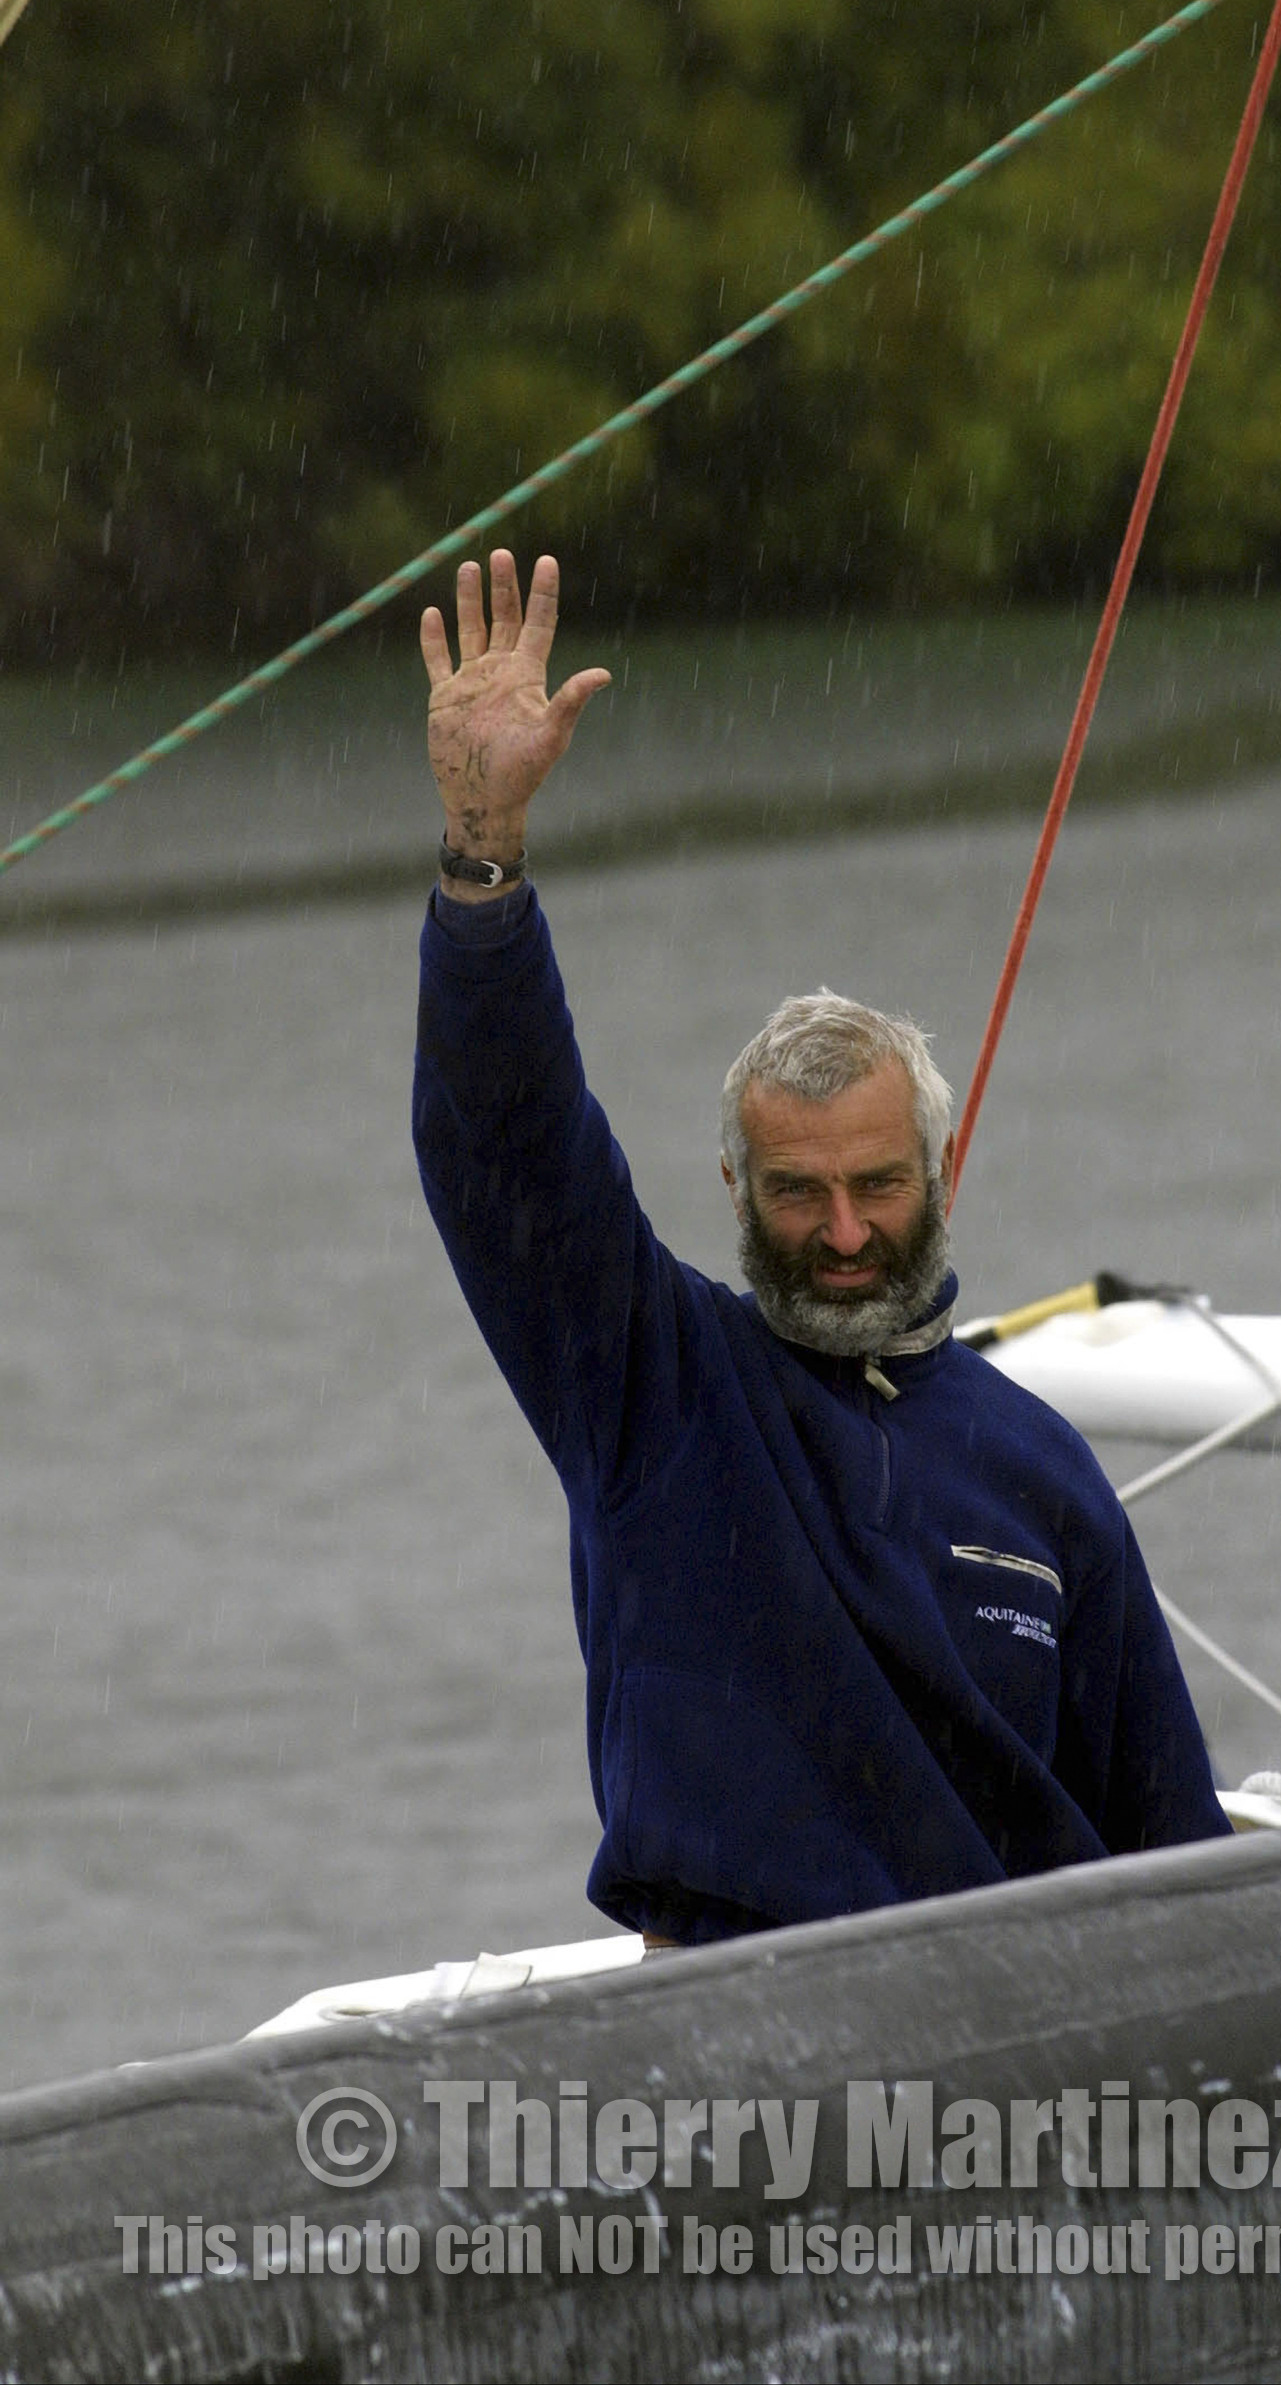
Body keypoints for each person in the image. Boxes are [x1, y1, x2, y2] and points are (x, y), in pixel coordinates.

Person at [413, 548, 1231, 1951]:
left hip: (1013, 2059)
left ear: (945, 1171)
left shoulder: (1044, 1473)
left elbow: (1179, 1853)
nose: (844, 1233)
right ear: (735, 1183)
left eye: (878, 1185)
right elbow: (508, 1152)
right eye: (799, 1193)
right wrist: (486, 850)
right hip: (732, 2041)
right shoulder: (649, 1386)